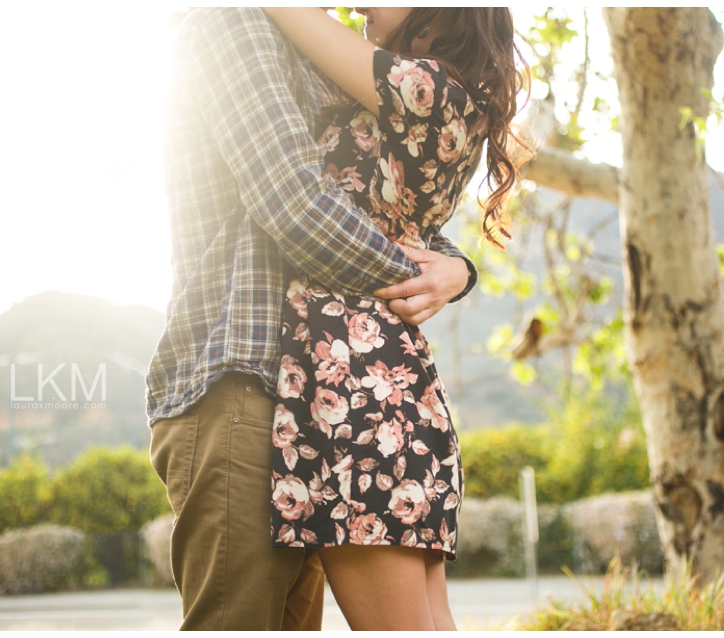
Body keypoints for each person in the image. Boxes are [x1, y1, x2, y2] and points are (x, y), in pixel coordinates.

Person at [145, 7, 481, 632]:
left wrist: (456, 268)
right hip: (241, 384)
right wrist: (427, 275)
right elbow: (296, 203)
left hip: (322, 402)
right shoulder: (236, 21)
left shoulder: (326, 47)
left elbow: (380, 203)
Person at [261, 7, 529, 631]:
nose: (358, 6)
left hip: (352, 391)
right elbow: (424, 236)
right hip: (392, 386)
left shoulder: (422, 86)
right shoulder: (447, 94)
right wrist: (461, 269)